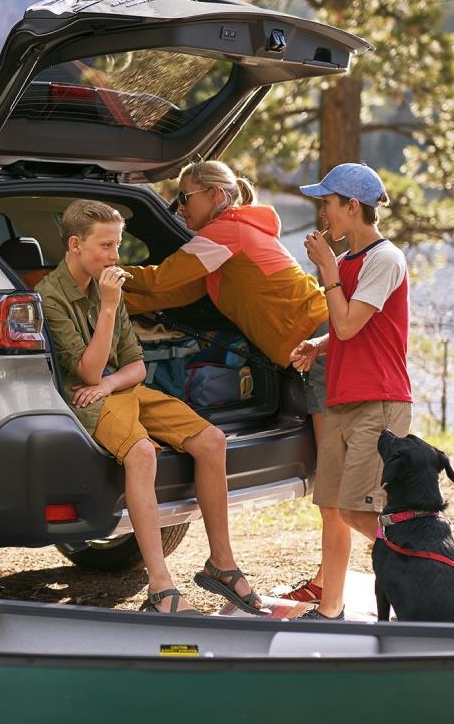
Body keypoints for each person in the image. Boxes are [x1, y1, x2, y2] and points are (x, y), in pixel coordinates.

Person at [35, 199, 264, 615]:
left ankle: (222, 565)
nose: (115, 256)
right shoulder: (50, 297)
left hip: (116, 388)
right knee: (141, 453)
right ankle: (161, 588)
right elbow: (86, 375)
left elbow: (136, 367)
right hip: (81, 399)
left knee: (212, 440)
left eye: (118, 245)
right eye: (106, 246)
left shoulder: (109, 287)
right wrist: (107, 308)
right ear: (75, 245)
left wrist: (110, 380)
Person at [119, 160, 332, 605]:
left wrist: (103, 274)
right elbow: (175, 293)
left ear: (217, 196)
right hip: (310, 355)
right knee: (334, 472)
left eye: (185, 197)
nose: (177, 208)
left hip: (325, 353)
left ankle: (347, 579)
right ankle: (328, 579)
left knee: (339, 474)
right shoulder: (229, 238)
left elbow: (163, 279)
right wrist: (108, 295)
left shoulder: (227, 233)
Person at [284, 163, 412, 621]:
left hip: (378, 402)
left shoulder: (384, 258)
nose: (323, 213)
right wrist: (319, 347)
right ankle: (330, 609)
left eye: (328, 203)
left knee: (361, 513)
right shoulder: (349, 262)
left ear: (352, 206)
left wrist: (326, 271)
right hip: (342, 398)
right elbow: (348, 330)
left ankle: (422, 563)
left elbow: (347, 322)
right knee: (335, 512)